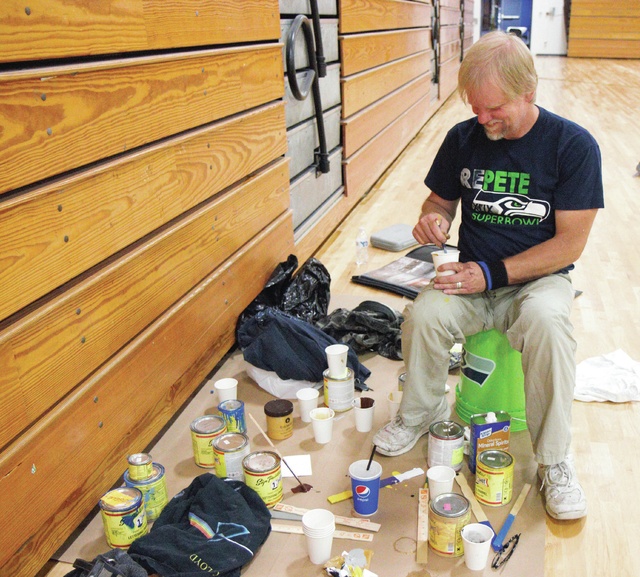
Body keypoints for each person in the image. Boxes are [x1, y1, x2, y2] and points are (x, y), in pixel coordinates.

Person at [372, 30, 604, 521]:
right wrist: (433, 219)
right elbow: (438, 201)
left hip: (537, 281)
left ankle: (554, 461)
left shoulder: (573, 146)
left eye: (494, 108)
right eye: (475, 108)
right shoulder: (463, 138)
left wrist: (492, 273)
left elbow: (570, 245)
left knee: (548, 326)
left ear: (529, 90)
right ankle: (418, 416)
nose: (483, 120)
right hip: (473, 279)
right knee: (424, 316)